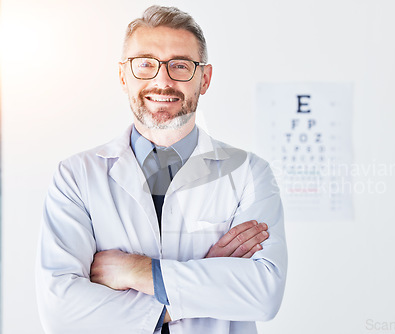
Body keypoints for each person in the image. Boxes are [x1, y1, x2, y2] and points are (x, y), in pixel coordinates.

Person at [35, 5, 287, 334]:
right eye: (145, 65)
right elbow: (61, 312)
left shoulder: (249, 174)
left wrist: (137, 271)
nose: (162, 80)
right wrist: (202, 284)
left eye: (180, 65)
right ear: (124, 76)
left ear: (204, 78)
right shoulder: (76, 176)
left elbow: (263, 293)